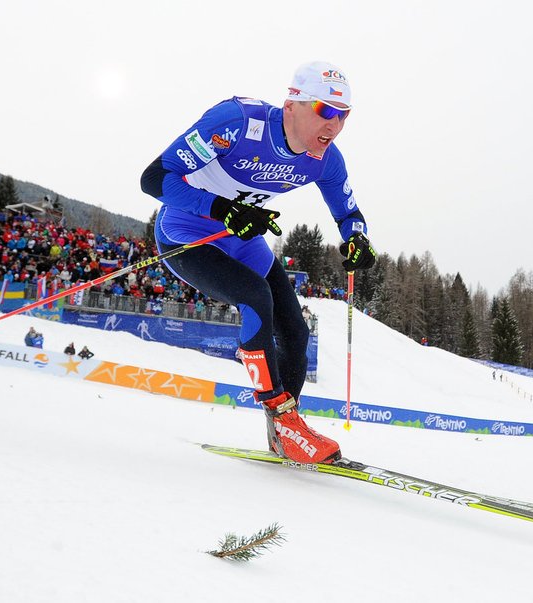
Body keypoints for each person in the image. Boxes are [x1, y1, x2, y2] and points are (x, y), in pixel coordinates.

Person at [140, 61, 377, 464]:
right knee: (254, 298)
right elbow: (154, 178)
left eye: (344, 115)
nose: (334, 125)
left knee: (296, 333)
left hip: (242, 239)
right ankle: (284, 421)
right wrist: (221, 208)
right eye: (325, 111)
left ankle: (285, 429)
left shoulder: (326, 159)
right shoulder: (236, 123)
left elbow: (346, 210)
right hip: (186, 234)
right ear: (292, 106)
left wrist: (357, 239)